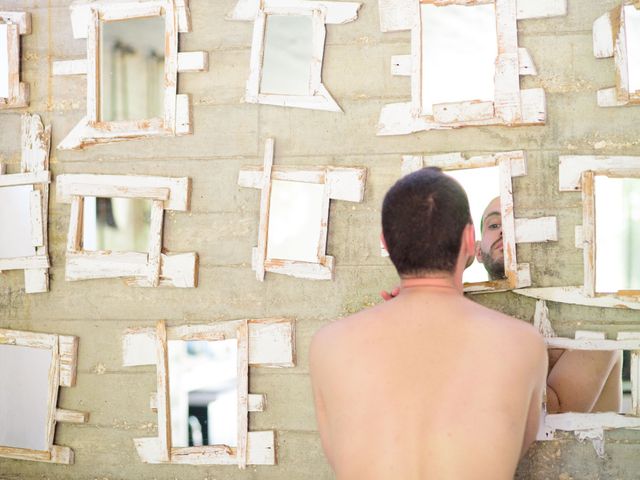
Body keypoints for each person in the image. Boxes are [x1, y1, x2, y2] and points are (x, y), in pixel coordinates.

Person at [310, 168, 547, 480]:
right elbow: (514, 444)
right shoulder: (524, 344)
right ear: (468, 239)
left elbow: (337, 452)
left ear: (386, 243)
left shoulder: (328, 345)